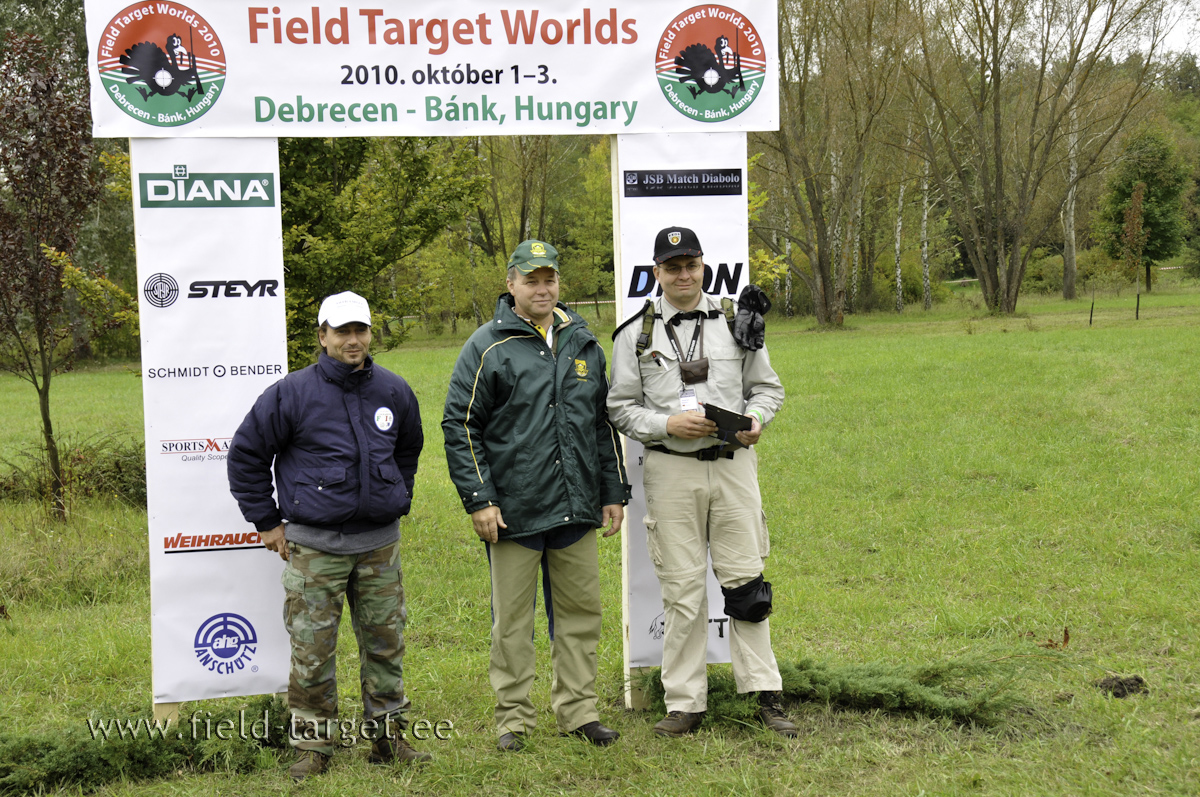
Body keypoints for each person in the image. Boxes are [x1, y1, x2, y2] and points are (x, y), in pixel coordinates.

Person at [227, 291, 429, 781]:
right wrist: (268, 522)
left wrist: (397, 494)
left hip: (379, 546)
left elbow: (408, 448)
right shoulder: (291, 394)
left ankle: (388, 737)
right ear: (322, 336)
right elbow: (246, 455)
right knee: (312, 650)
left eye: (360, 330)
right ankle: (313, 745)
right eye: (342, 332)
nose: (352, 340)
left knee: (385, 644)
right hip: (315, 548)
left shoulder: (394, 390)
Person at [606, 227, 797, 738]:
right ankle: (685, 702)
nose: (683, 275)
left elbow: (768, 389)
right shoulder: (635, 335)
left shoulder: (738, 321)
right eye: (672, 267)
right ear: (656, 272)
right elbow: (619, 408)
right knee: (682, 590)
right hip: (671, 470)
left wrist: (756, 418)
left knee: (747, 584)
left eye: (691, 265)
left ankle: (765, 694)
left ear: (704, 265)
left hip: (734, 467)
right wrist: (666, 423)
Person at [442, 240, 631, 752]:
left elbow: (600, 425)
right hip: (514, 511)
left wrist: (612, 491)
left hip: (576, 505)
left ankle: (579, 711)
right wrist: (480, 499)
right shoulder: (487, 346)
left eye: (549, 279)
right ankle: (513, 720)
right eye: (531, 280)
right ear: (511, 285)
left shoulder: (583, 343)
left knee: (580, 615)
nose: (542, 289)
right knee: (513, 623)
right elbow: (460, 425)